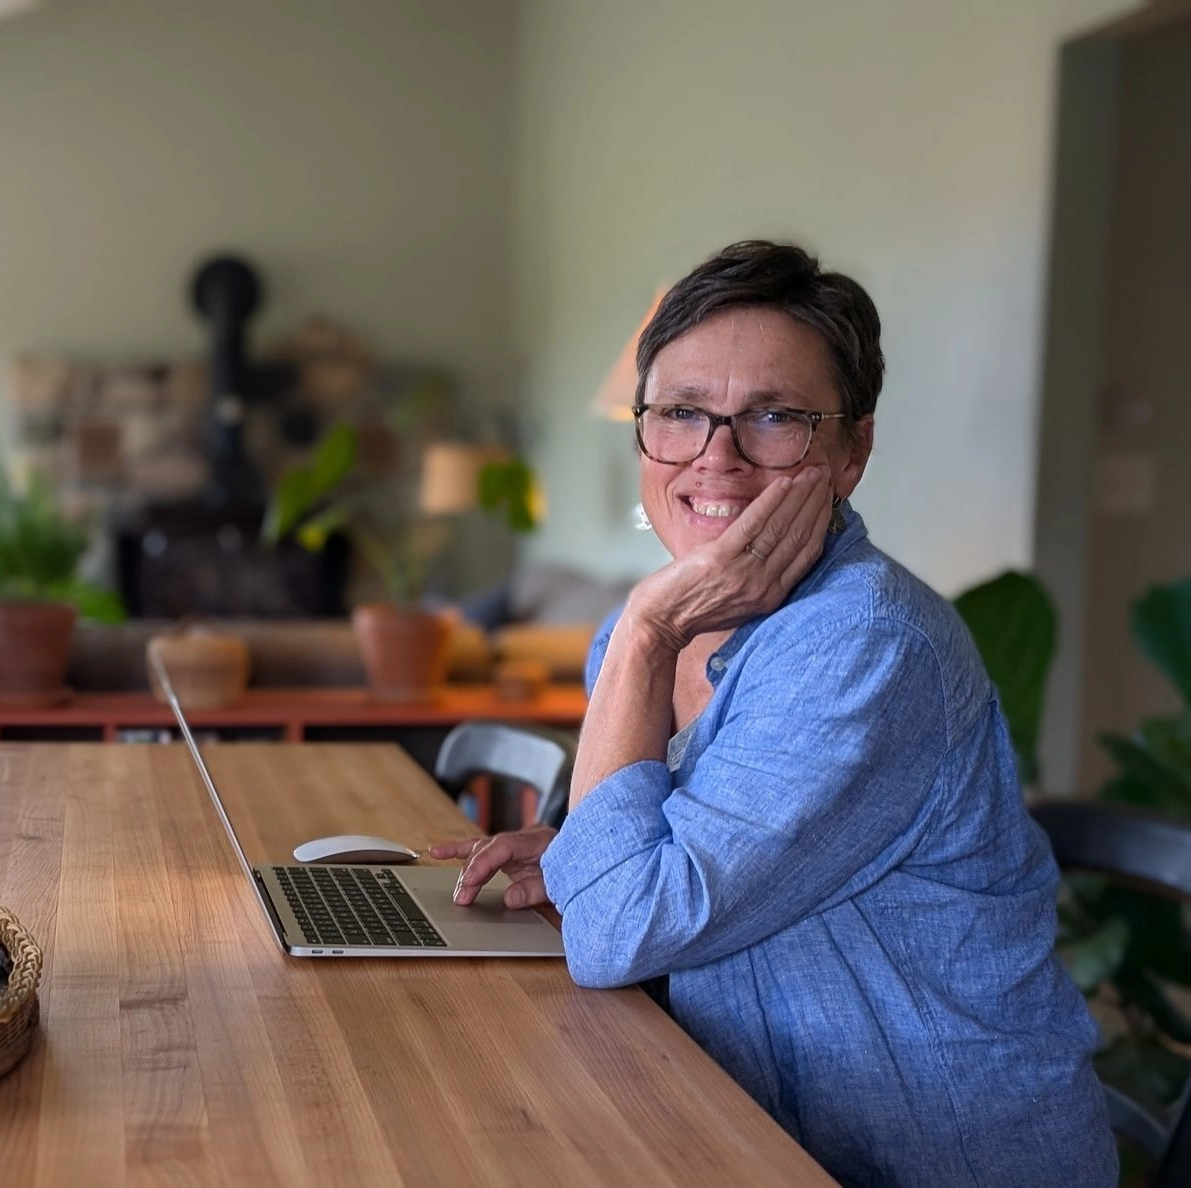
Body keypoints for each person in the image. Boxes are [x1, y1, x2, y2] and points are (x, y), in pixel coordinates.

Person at [432, 241, 1113, 1187]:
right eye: (680, 414)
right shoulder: (659, 636)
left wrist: (645, 629)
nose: (717, 458)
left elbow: (618, 933)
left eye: (775, 418)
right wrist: (588, 848)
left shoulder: (858, 644)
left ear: (852, 452)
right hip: (735, 1120)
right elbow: (679, 877)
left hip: (922, 1160)